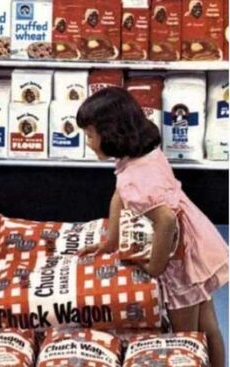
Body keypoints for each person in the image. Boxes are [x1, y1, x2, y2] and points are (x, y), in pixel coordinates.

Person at [77, 87, 227, 366]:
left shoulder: (137, 178)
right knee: (208, 326)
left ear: (111, 134)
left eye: (90, 135)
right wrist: (111, 240)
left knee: (186, 338)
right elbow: (118, 195)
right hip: (194, 242)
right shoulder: (141, 155)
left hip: (179, 258)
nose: (88, 142)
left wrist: (156, 266)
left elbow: (166, 220)